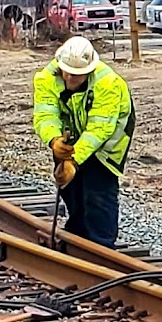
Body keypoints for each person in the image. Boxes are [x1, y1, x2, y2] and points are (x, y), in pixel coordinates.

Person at [32, 35, 133, 246]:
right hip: (72, 131)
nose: (69, 79)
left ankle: (102, 245)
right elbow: (46, 114)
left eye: (76, 76)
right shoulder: (46, 78)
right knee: (70, 187)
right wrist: (54, 140)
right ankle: (77, 235)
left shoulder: (108, 83)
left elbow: (99, 129)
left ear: (89, 71)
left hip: (108, 138)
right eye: (67, 72)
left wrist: (75, 161)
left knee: (98, 188)